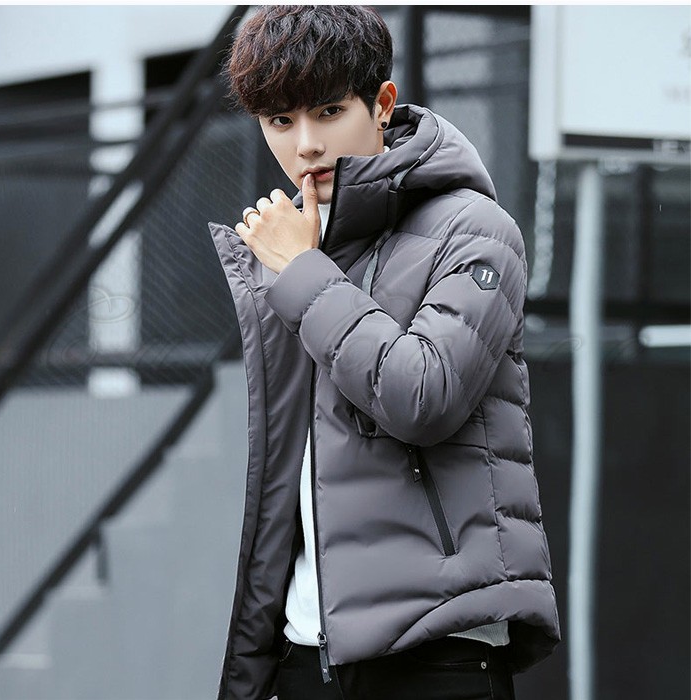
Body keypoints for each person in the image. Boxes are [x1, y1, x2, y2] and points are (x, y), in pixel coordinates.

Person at [208, 6, 560, 700]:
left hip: (438, 652)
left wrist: (302, 271)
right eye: (280, 121)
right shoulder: (302, 248)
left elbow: (422, 396)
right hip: (305, 654)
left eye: (329, 111)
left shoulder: (474, 228)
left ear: (382, 104)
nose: (307, 145)